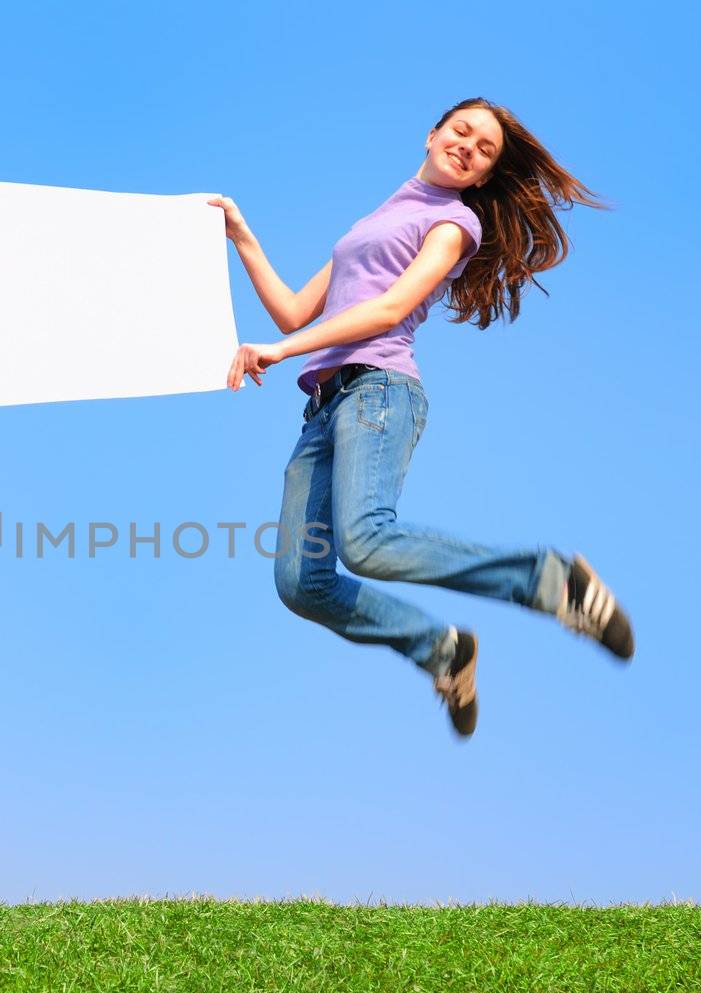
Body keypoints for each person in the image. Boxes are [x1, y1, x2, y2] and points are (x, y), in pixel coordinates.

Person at [211, 98, 632, 739]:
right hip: (321, 412)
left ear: (483, 174)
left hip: (379, 393)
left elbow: (386, 312)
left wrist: (278, 352)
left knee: (368, 541)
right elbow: (297, 313)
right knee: (301, 582)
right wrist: (242, 238)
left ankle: (552, 581)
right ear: (433, 134)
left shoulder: (453, 223)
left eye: (484, 148)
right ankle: (441, 651)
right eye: (461, 131)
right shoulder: (378, 220)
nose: (468, 145)